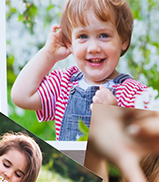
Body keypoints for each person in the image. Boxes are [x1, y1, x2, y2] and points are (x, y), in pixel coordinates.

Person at [11, 0, 150, 141]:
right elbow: (21, 96)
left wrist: (117, 117)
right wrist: (48, 55)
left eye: (104, 35)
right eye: (83, 36)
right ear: (70, 43)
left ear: (124, 40)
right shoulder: (63, 84)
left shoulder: (133, 93)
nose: (93, 48)